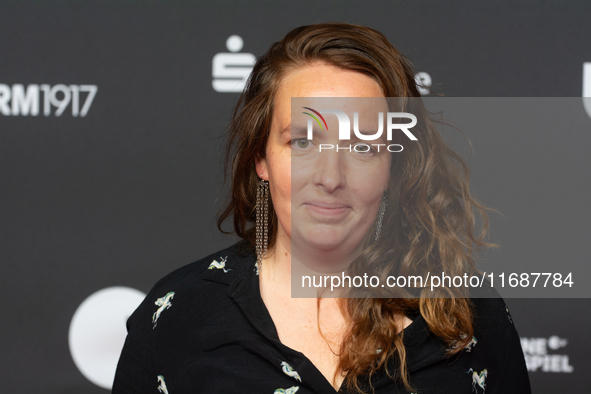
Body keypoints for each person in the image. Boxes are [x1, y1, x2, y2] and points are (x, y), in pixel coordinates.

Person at [112, 23, 531, 394]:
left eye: (363, 146)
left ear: (394, 166)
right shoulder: (176, 315)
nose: (330, 177)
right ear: (262, 159)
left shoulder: (470, 317)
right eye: (303, 142)